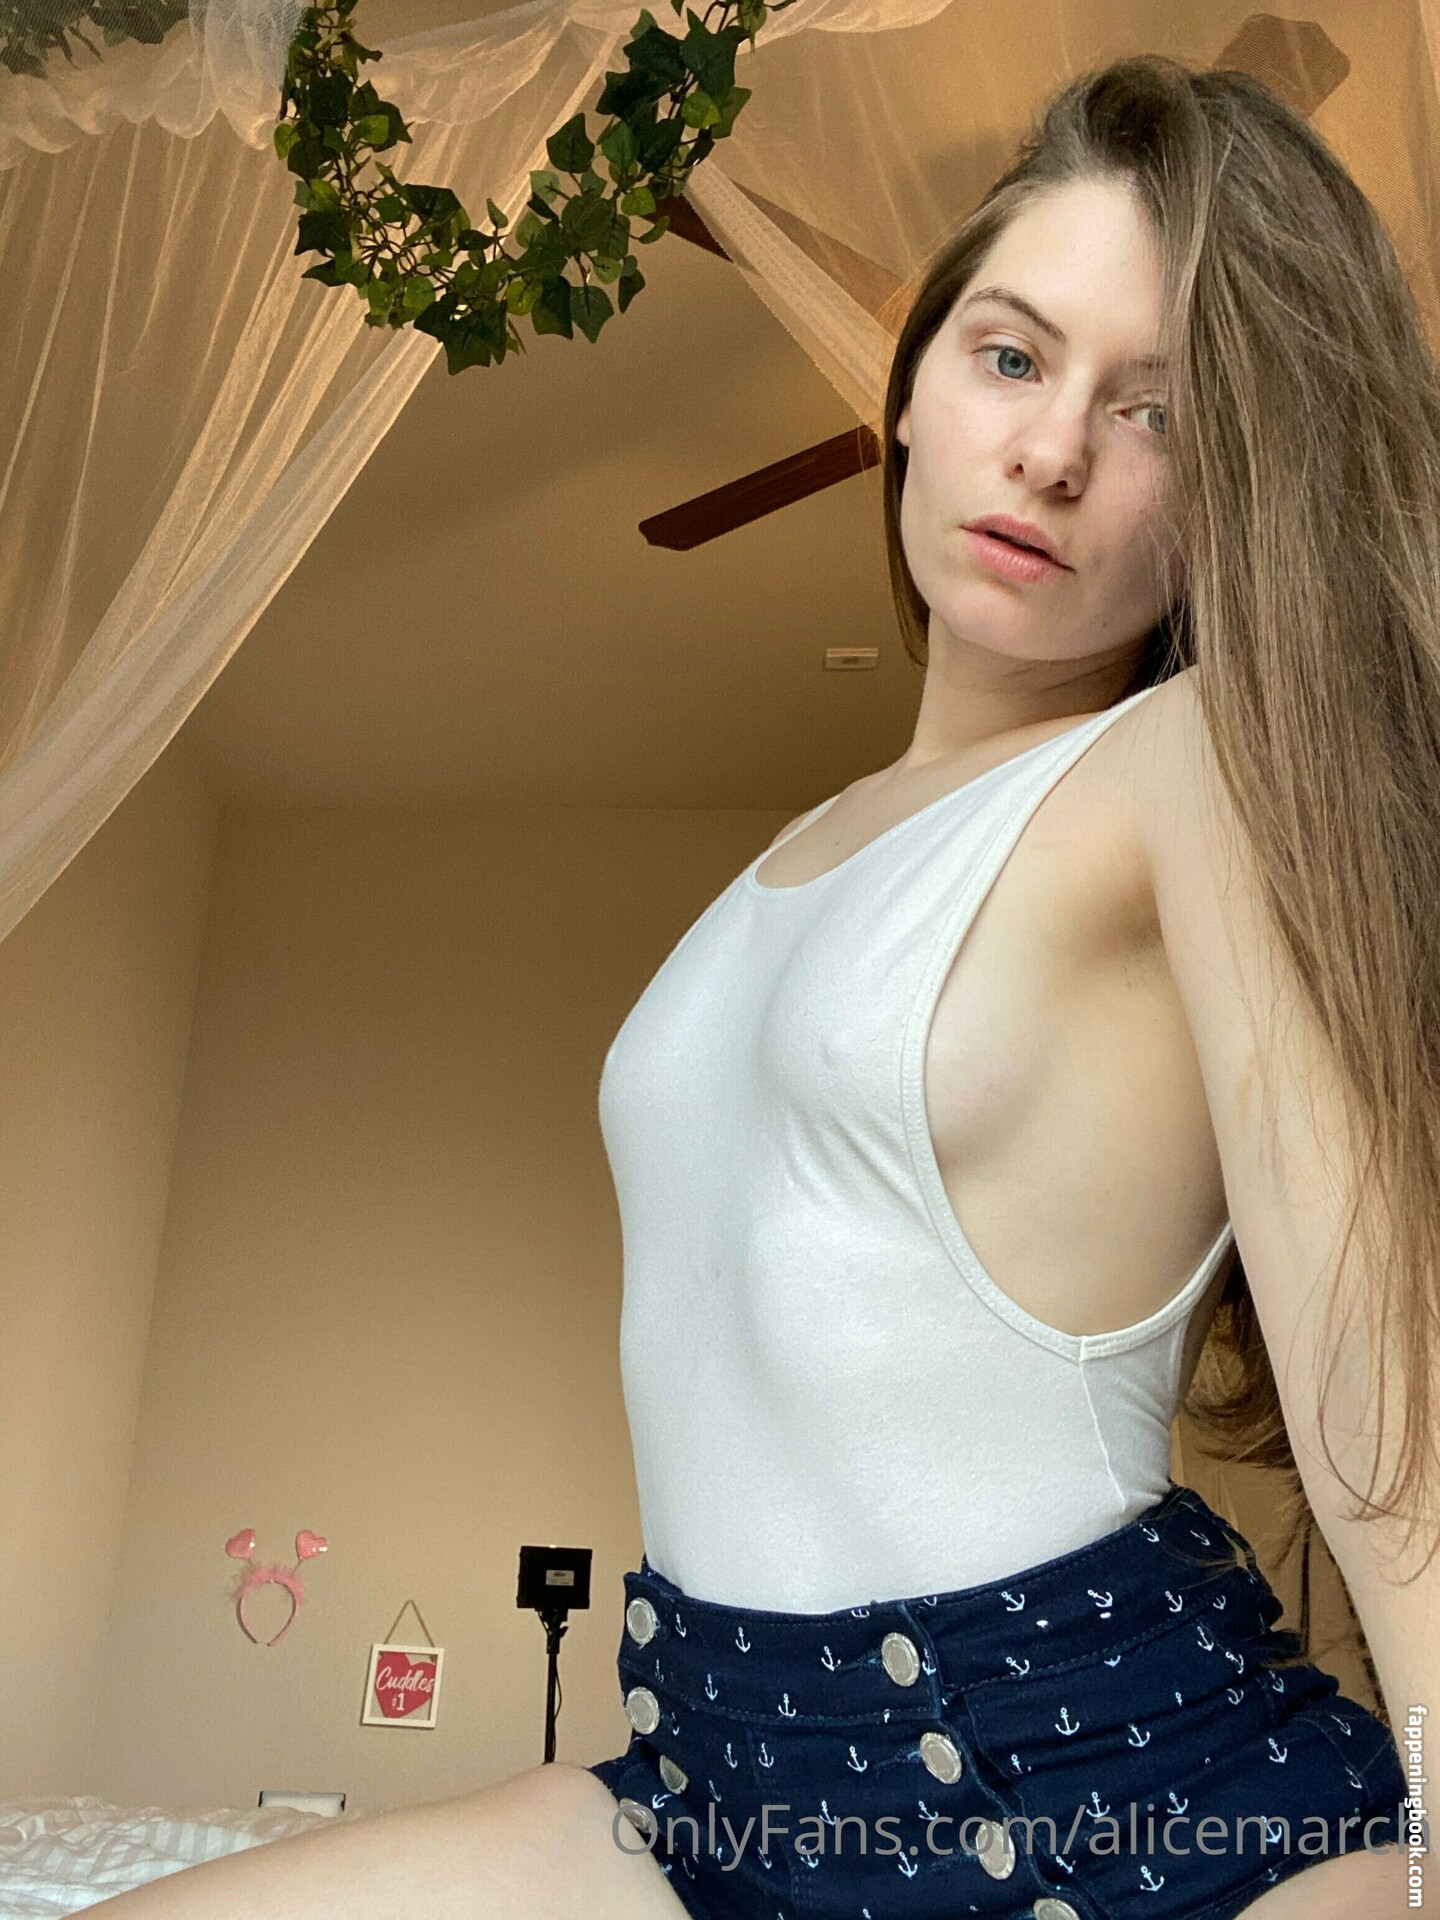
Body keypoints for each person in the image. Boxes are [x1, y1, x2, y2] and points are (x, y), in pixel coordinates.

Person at [101, 50, 1437, 1920]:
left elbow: (1388, 1388)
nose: (1053, 450)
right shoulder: (778, 868)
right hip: (714, 1788)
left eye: (1157, 412)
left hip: (1120, 1805)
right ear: (912, 389)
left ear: (1234, 496)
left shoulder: (1188, 767)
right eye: (1010, 356)